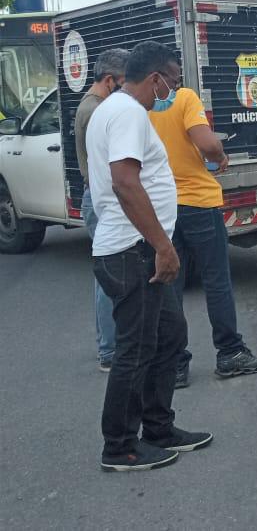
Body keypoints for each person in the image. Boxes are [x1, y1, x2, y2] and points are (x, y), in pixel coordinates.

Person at [87, 41, 210, 472]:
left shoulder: (121, 111)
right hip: (132, 250)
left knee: (170, 336)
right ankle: (119, 446)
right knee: (135, 350)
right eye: (172, 81)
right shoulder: (126, 113)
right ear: (156, 78)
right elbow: (125, 182)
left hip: (137, 248)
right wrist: (162, 245)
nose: (173, 90)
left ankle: (158, 428)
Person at [150, 85, 257, 389]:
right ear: (168, 73)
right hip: (199, 204)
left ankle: (174, 364)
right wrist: (220, 156)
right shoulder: (185, 98)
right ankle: (230, 353)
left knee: (170, 284)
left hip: (163, 206)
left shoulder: (141, 106)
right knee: (216, 280)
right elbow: (208, 143)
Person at [75, 47, 131, 372]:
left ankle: (111, 346)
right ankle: (110, 350)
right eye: (123, 82)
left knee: (109, 273)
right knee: (108, 276)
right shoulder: (96, 110)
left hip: (97, 197)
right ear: (109, 80)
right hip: (99, 199)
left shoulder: (92, 104)